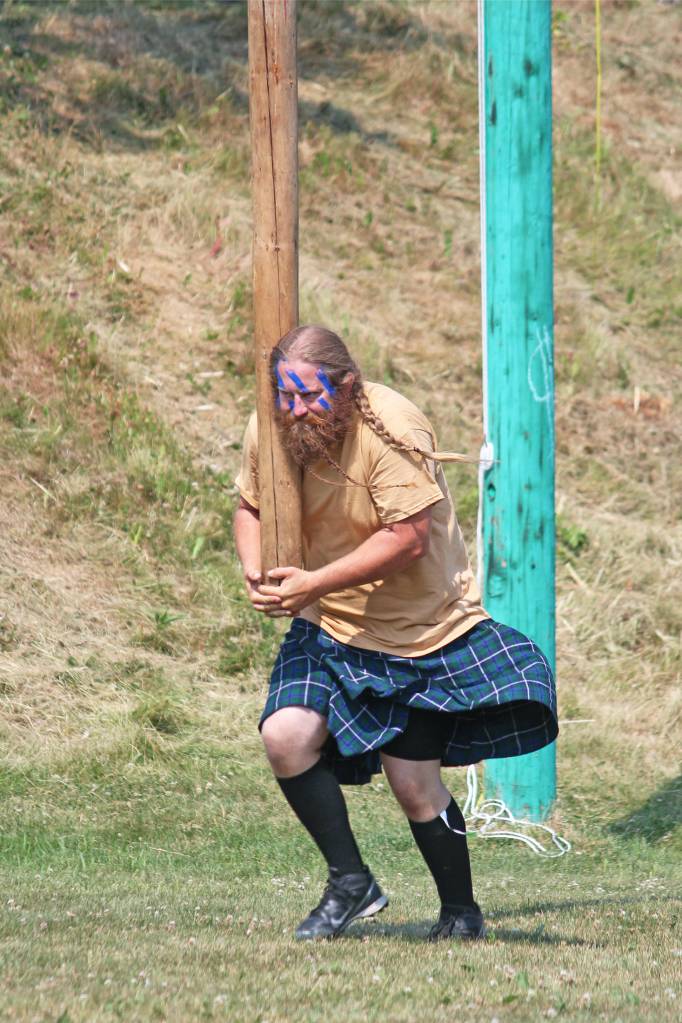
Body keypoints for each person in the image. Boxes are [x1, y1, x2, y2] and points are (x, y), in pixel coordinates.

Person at [234, 324, 558, 942]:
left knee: (413, 784)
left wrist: (313, 580)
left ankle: (461, 912)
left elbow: (407, 540)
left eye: (309, 396)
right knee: (285, 736)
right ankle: (351, 882)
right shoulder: (273, 426)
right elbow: (250, 504)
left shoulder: (395, 427)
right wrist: (256, 567)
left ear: (348, 386)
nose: (294, 410)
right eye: (285, 395)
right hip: (328, 622)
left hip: (420, 631)